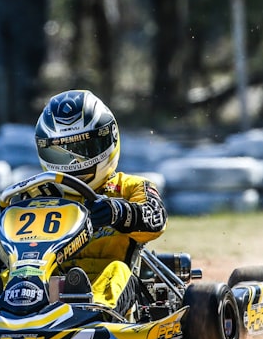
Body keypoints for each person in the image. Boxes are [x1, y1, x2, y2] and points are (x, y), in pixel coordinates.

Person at [33, 89, 167, 317]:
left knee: (117, 271)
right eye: (62, 153)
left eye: (85, 149)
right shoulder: (37, 196)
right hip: (48, 283)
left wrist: (120, 212)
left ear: (109, 137)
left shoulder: (130, 187)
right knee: (8, 275)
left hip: (111, 281)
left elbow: (156, 218)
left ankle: (94, 314)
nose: (75, 163)